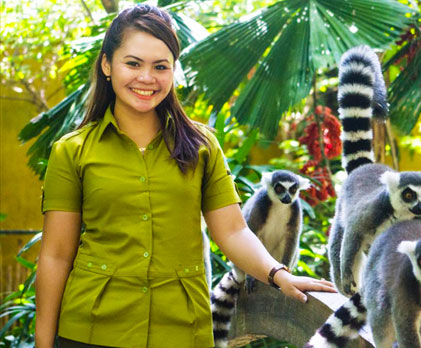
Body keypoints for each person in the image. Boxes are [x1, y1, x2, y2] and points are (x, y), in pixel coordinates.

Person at [34, 4, 335, 348]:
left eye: (160, 66)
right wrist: (44, 344)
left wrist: (279, 274)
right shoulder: (71, 151)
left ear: (173, 70)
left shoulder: (202, 146)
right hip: (91, 330)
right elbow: (56, 254)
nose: (146, 78)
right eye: (133, 63)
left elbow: (234, 231)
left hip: (180, 330)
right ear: (107, 65)